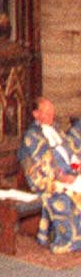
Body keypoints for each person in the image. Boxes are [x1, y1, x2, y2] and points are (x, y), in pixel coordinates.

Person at [17, 97, 81, 253]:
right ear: (35, 114)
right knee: (66, 198)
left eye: (52, 113)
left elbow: (70, 155)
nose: (51, 116)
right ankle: (69, 240)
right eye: (47, 113)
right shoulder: (32, 137)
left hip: (70, 174)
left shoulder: (57, 130)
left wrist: (76, 169)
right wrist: (62, 177)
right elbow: (40, 166)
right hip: (50, 180)